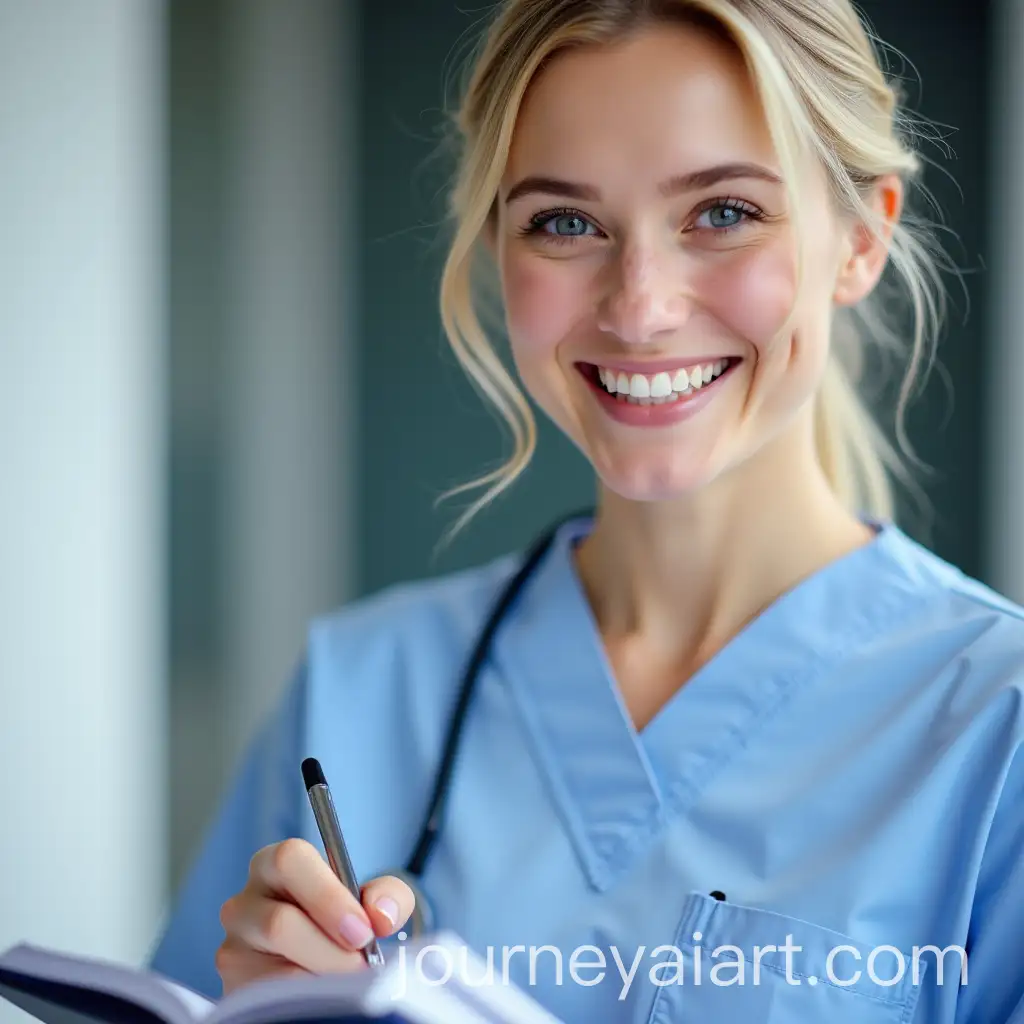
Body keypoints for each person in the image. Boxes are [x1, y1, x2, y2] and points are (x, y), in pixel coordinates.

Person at [149, 1, 1024, 1022]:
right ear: (499, 248)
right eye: (564, 223)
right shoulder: (359, 692)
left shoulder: (995, 724)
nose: (639, 307)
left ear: (862, 239)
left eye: (723, 212)